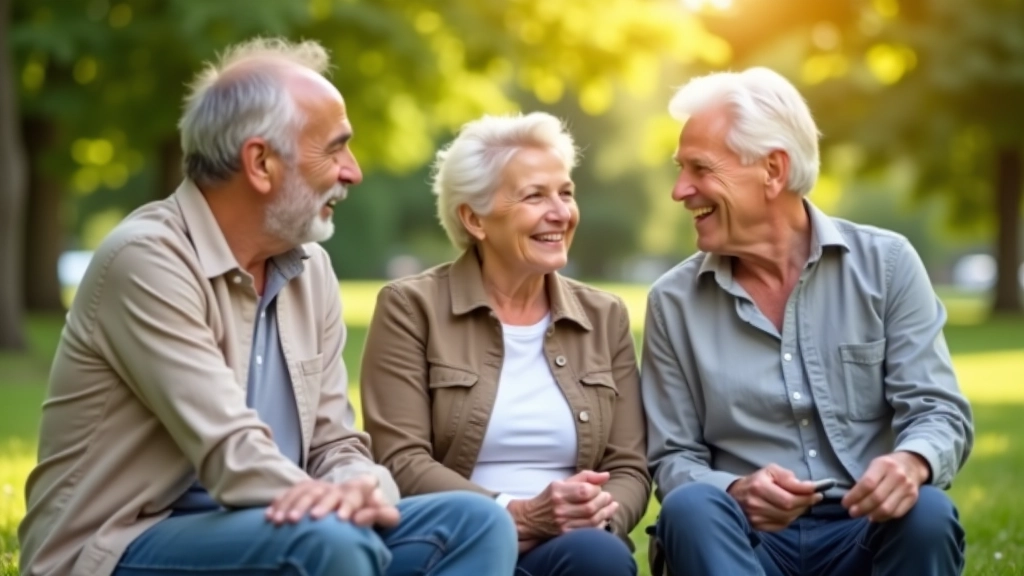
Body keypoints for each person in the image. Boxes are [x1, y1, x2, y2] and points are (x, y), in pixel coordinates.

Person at [17, 38, 517, 576]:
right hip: (118, 545)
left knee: (478, 521)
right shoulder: (146, 260)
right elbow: (231, 453)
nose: (353, 171)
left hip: (286, 525)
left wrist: (359, 486)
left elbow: (334, 442)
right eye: (335, 148)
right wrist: (334, 510)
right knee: (330, 543)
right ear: (260, 163)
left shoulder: (311, 270)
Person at [641, 67, 974, 576]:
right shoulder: (673, 300)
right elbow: (671, 457)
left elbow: (938, 410)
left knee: (927, 512)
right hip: (746, 539)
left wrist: (912, 462)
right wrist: (734, 490)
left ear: (773, 169)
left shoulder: (887, 265)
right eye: (680, 169)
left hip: (865, 531)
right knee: (690, 510)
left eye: (700, 169)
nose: (680, 190)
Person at [359, 112, 651, 576]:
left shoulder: (604, 316)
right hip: (457, 539)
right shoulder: (410, 307)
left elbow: (629, 465)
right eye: (535, 195)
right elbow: (400, 458)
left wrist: (596, 516)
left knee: (601, 557)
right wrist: (513, 513)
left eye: (566, 192)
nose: (560, 212)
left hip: (572, 545)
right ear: (474, 218)